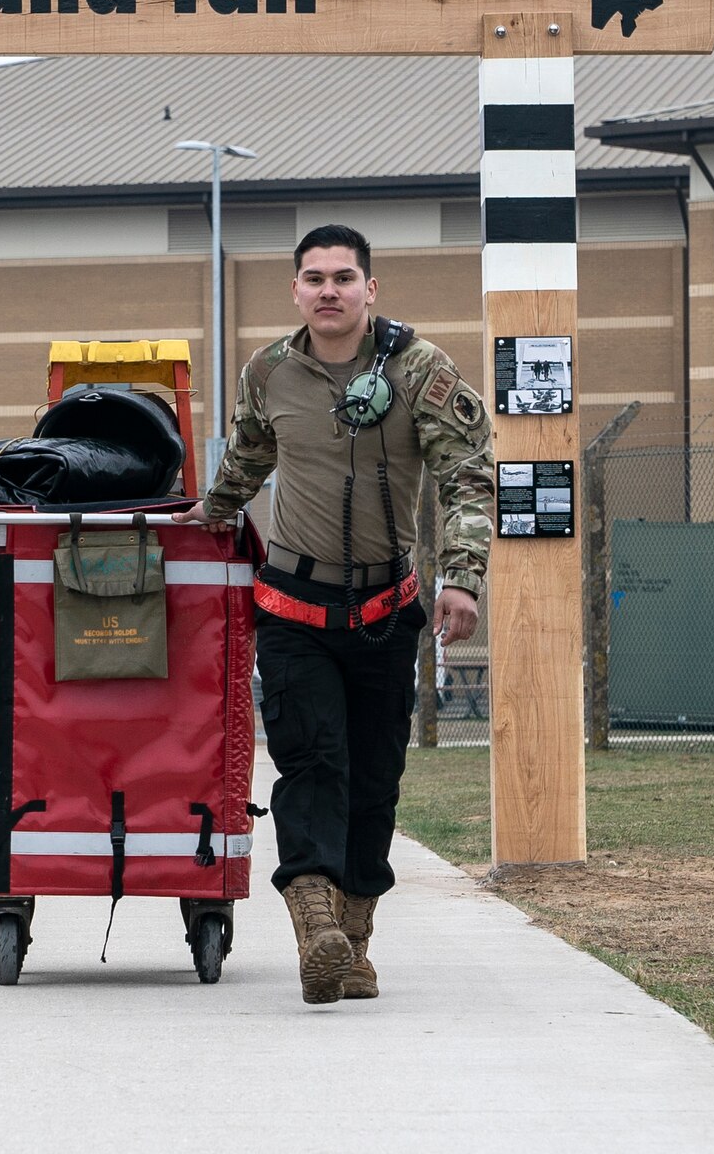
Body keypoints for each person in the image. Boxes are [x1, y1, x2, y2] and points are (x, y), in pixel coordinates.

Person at [173, 223, 495, 1004]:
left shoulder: (422, 370)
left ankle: (353, 939)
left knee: (375, 779)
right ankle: (314, 920)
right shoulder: (269, 373)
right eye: (314, 277)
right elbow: (245, 462)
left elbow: (466, 474)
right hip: (292, 604)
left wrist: (463, 578)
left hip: (387, 610)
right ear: (296, 290)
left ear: (370, 288)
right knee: (313, 761)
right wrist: (192, 524)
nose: (329, 290)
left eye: (343, 277)